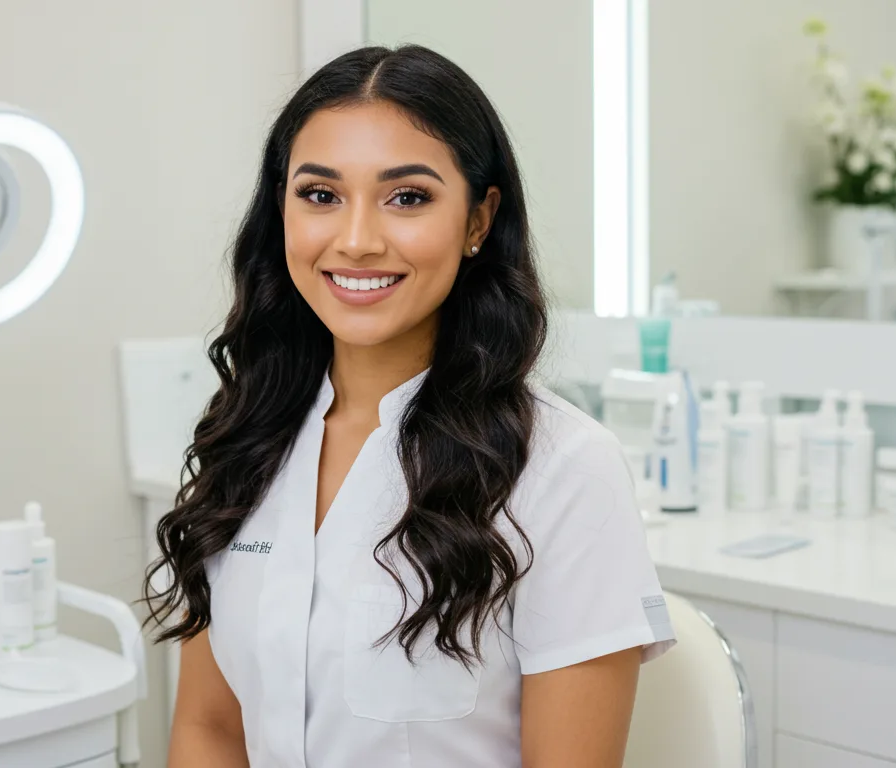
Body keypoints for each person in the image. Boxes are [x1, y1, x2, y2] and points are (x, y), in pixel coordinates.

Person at [144, 44, 675, 768]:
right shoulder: (247, 435)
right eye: (321, 195)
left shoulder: (563, 471)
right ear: (282, 210)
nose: (357, 241)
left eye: (408, 197)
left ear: (478, 221)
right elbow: (210, 729)